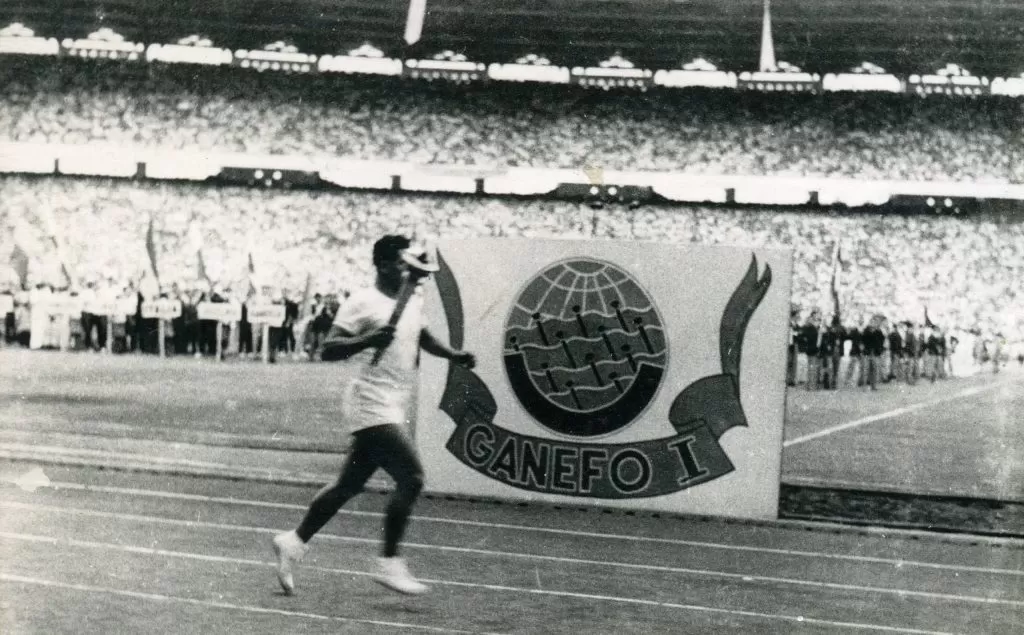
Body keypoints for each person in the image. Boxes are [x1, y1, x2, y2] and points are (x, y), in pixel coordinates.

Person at [272, 235, 476, 597]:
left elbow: (422, 336)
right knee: (411, 478)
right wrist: (367, 341)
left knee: (347, 486)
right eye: (402, 264)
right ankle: (388, 562)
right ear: (383, 265)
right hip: (370, 400)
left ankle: (294, 541)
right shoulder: (361, 302)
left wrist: (453, 354)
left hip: (394, 400)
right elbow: (329, 349)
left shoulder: (409, 300)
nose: (408, 270)